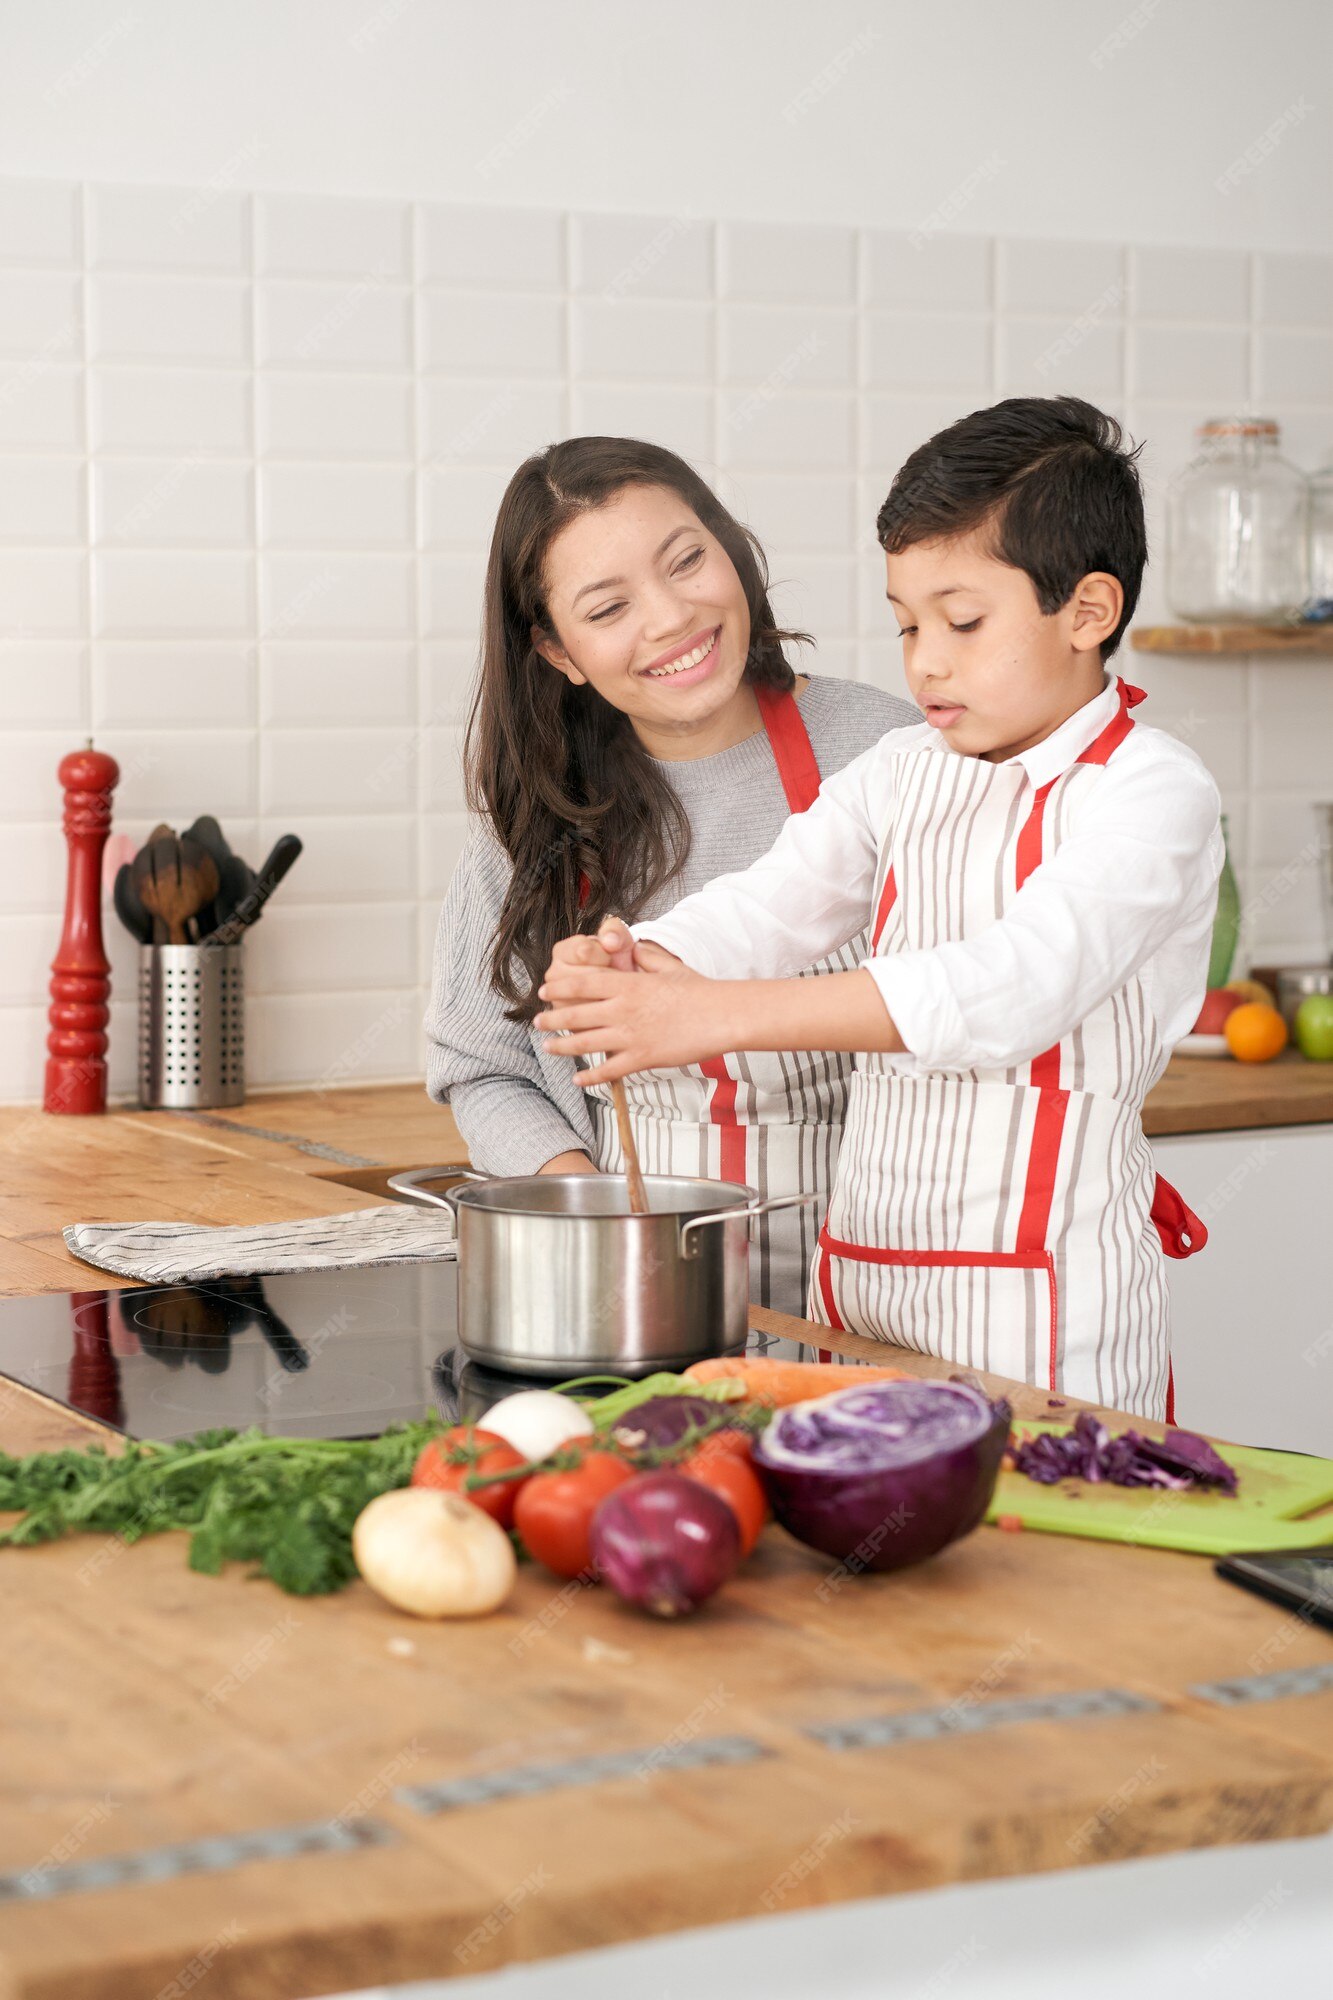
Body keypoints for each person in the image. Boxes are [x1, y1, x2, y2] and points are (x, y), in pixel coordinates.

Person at [535, 398, 1224, 1418]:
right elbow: (777, 899)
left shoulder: (1150, 792)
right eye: (907, 623)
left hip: (1040, 1311)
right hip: (860, 1287)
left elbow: (1007, 991)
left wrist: (712, 1014)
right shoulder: (904, 766)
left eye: (962, 621)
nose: (925, 660)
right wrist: (638, 954)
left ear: (1087, 611)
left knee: (1032, 1569)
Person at [424, 437, 917, 1315]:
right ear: (557, 651)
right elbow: (482, 1067)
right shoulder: (536, 818)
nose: (670, 619)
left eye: (687, 560)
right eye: (608, 608)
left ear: (731, 551)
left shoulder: (887, 752)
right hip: (641, 1301)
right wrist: (597, 1217)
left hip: (885, 1290)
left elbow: (964, 1011)